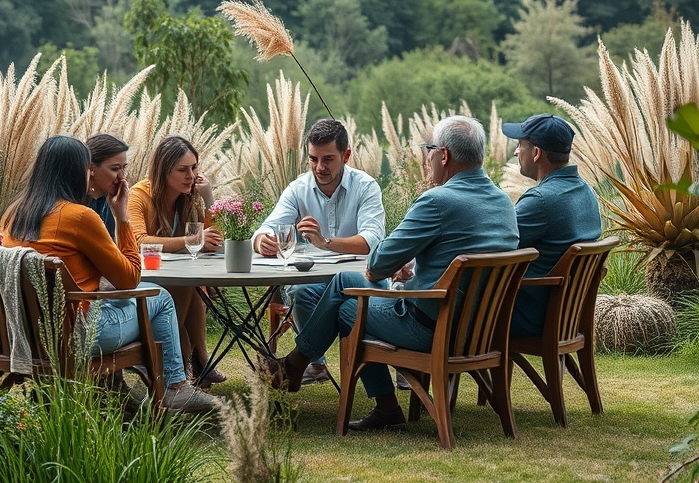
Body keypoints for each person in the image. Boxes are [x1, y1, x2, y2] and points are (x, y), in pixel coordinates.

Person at [266, 115, 519, 431]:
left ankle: (303, 368)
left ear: (444, 156)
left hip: (433, 329)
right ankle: (300, 366)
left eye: (429, 149)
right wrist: (413, 266)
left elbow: (378, 263)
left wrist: (392, 266)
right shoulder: (503, 202)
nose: (426, 157)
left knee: (349, 306)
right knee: (347, 283)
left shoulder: (437, 201)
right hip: (482, 332)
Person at [1, 135, 219, 414]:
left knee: (134, 296)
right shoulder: (79, 216)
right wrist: (121, 217)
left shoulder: (12, 213)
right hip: (76, 334)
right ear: (76, 171)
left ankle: (145, 384)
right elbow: (128, 278)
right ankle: (175, 388)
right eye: (87, 169)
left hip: (25, 330)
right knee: (161, 297)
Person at [252, 118, 386, 386]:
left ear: (346, 155)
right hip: (315, 279)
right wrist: (262, 242)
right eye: (313, 159)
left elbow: (372, 240)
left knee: (347, 303)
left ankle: (295, 363)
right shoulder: (298, 188)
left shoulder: (366, 186)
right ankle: (316, 363)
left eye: (328, 159)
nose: (319, 167)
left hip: (360, 279)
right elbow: (264, 229)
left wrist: (325, 242)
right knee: (301, 292)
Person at [128, 135, 224, 387]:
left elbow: (217, 240)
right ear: (162, 171)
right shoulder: (139, 195)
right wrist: (191, 240)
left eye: (194, 168)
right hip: (142, 280)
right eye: (182, 170)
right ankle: (192, 362)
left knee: (190, 282)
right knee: (186, 283)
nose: (190, 175)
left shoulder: (188, 197)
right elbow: (139, 241)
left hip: (176, 279)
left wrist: (209, 199)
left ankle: (197, 360)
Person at [502, 114, 603, 337]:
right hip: (565, 314)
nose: (516, 153)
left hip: (529, 316)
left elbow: (497, 244)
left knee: (448, 312)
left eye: (520, 146)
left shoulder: (541, 200)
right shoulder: (586, 191)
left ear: (537, 153)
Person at [86, 133, 130, 240]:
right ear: (92, 169)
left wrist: (121, 214)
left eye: (124, 168)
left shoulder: (103, 202)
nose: (122, 177)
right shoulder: (82, 209)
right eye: (115, 169)